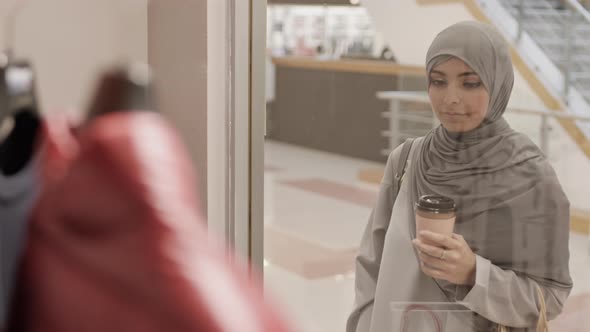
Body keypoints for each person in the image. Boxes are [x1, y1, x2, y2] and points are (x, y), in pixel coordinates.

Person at [346, 21, 573, 332]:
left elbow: (551, 297)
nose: (450, 98)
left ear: (497, 84)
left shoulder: (530, 175)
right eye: (438, 82)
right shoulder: (407, 160)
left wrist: (473, 274)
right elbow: (371, 267)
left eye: (470, 83)